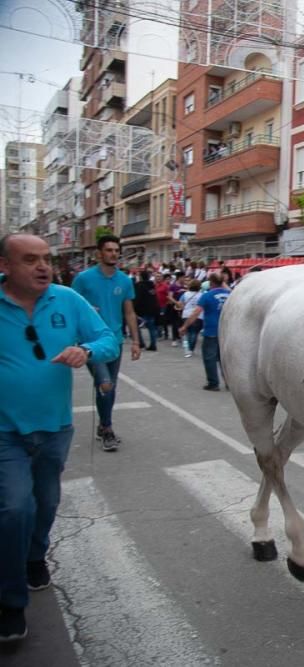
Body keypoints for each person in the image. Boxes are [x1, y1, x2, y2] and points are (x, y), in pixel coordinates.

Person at [0, 233, 118, 643]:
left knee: (46, 502)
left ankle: (36, 555)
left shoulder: (67, 299)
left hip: (54, 429)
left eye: (46, 259)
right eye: (30, 259)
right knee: (14, 508)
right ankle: (11, 603)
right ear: (4, 265)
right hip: (5, 434)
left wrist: (86, 350)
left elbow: (109, 339)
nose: (42, 267)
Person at [71, 235, 142, 451]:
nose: (113, 254)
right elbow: (70, 306)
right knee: (105, 384)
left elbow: (129, 312)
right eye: (108, 250)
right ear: (99, 254)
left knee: (110, 386)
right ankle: (107, 428)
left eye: (116, 250)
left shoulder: (124, 280)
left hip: (115, 342)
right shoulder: (83, 279)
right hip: (91, 343)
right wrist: (85, 311)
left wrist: (136, 342)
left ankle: (103, 426)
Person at [179, 273, 231, 391]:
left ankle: (213, 382)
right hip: (226, 330)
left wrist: (185, 326)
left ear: (211, 283)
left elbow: (196, 312)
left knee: (209, 357)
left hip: (211, 330)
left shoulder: (207, 296)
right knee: (224, 358)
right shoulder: (229, 294)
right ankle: (229, 382)